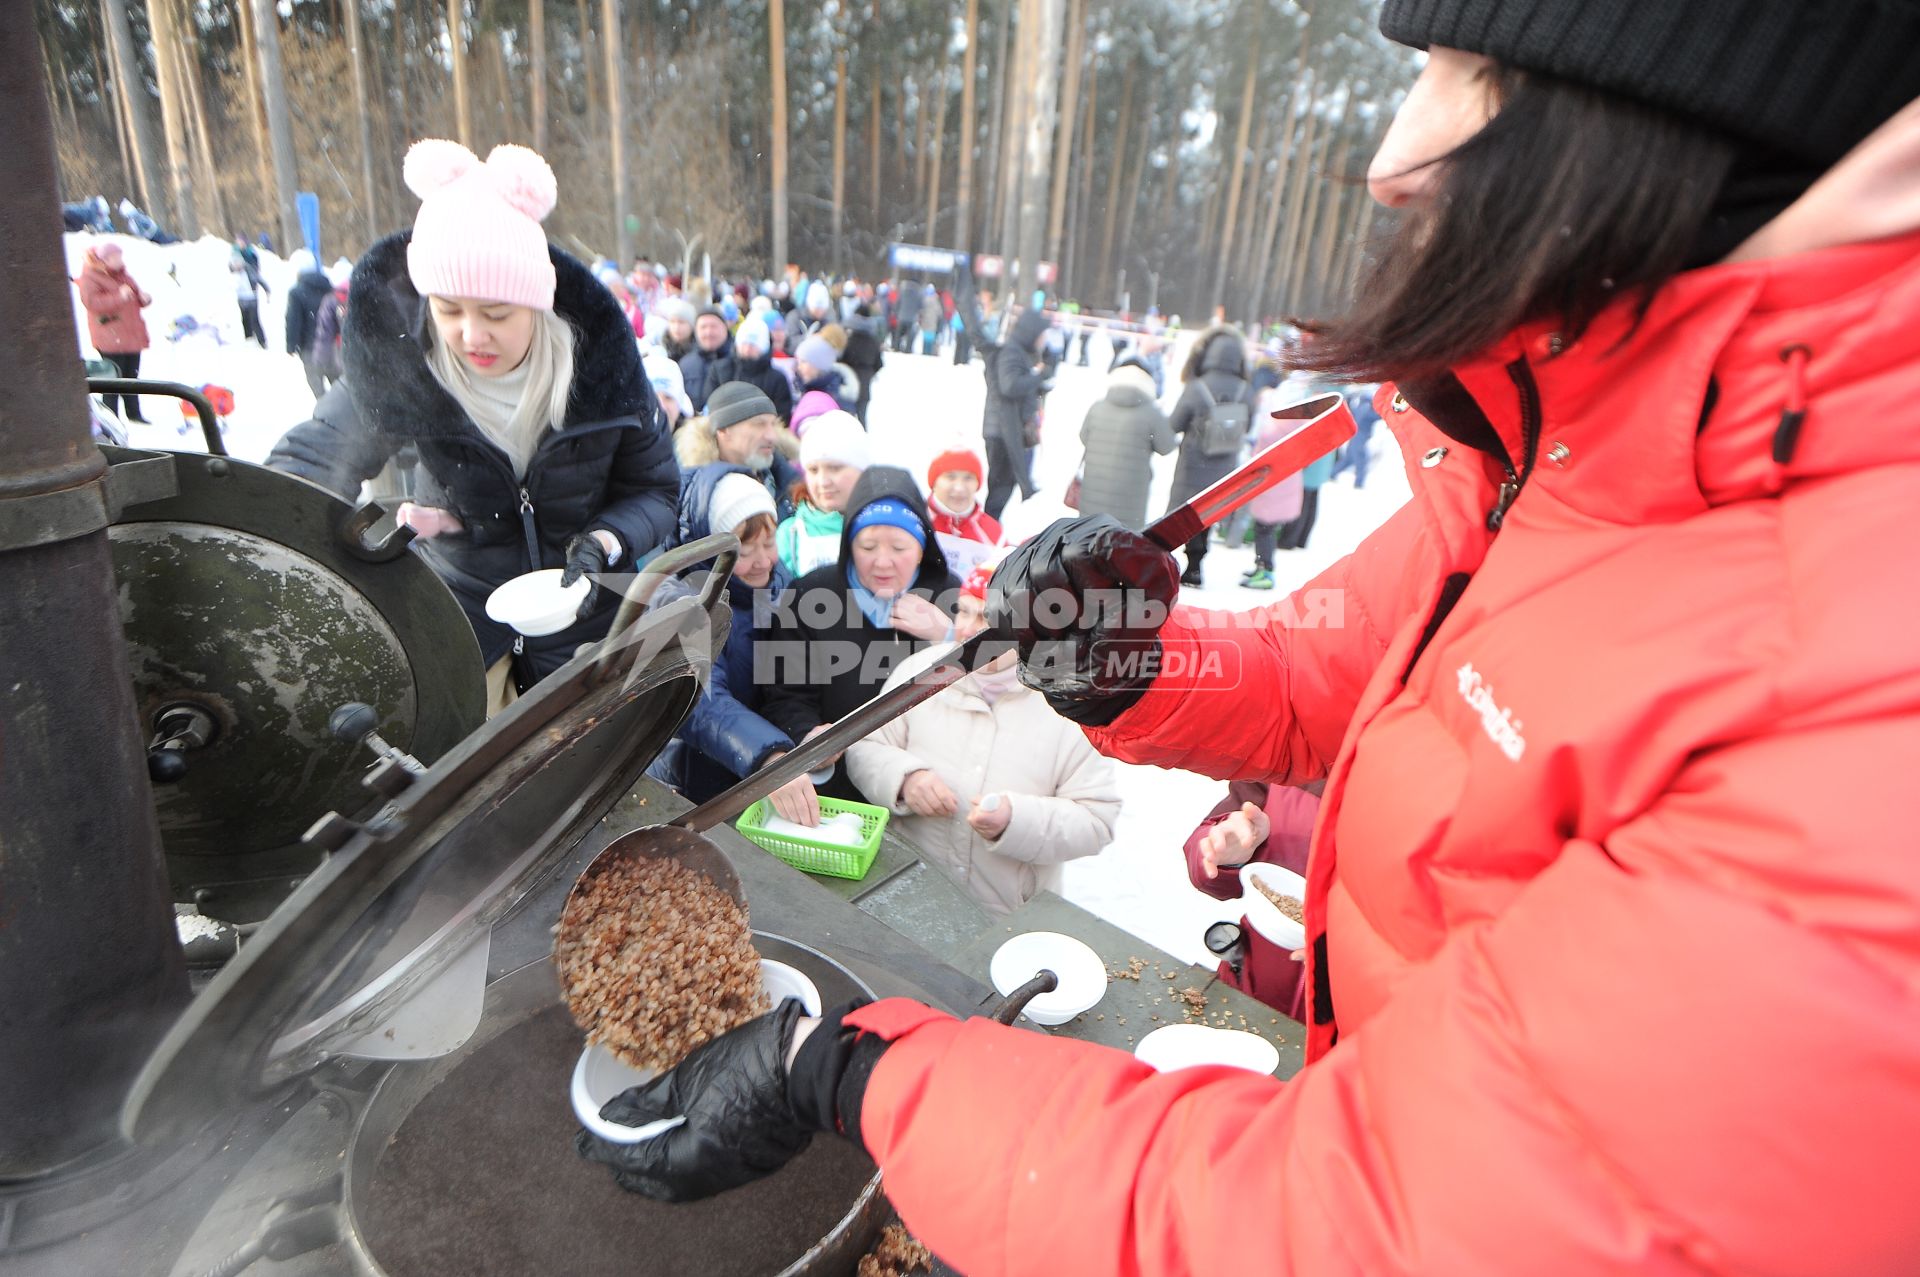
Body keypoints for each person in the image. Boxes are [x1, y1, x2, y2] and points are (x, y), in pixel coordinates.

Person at [575, 10, 1920, 1274]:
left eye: (1482, 82)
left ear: (1721, 143)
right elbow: (1331, 667)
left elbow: (1348, 1231)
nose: (1392, 161)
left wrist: (858, 1074)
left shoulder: (1857, 709)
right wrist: (1124, 660)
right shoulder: (1555, 468)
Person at [266, 140, 677, 709]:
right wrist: (268, 535)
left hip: (586, 621)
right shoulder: (403, 364)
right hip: (461, 615)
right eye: (450, 309)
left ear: (536, 302)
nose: (471, 335)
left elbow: (655, 489)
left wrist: (603, 542)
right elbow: (313, 458)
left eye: (497, 313)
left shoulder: (604, 369)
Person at [846, 560, 1119, 916]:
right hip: (907, 898)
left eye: (987, 619)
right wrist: (905, 779)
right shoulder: (918, 673)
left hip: (1008, 918)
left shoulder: (1071, 708)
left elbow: (1096, 821)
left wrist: (1014, 820)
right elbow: (863, 746)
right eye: (963, 611)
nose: (967, 630)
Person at [758, 466, 957, 802]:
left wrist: (948, 636)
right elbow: (784, 695)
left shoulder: (952, 598)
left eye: (899, 548)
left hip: (925, 789)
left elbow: (992, 688)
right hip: (835, 792)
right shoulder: (810, 595)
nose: (882, 562)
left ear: (923, 548)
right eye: (867, 547)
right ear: (849, 545)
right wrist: (807, 733)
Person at [647, 465, 820, 823]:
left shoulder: (779, 580)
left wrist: (805, 725)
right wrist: (769, 755)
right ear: (711, 547)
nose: (763, 561)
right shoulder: (679, 599)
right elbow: (699, 700)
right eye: (743, 550)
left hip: (756, 778)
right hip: (694, 786)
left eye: (769, 543)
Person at [1182, 781, 1319, 1018]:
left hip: (1350, 1032)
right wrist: (1226, 853)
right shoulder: (1295, 760)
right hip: (1246, 992)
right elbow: (1208, 860)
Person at [1164, 325, 1253, 586]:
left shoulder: (1196, 386)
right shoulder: (1245, 389)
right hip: (1224, 463)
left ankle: (1176, 565)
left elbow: (1175, 424)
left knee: (1183, 514)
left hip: (1193, 462)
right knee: (1208, 515)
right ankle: (1196, 564)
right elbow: (1246, 424)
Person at [672, 382, 801, 522]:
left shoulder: (787, 481)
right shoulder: (694, 498)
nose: (772, 436)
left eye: (773, 424)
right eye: (759, 425)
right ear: (723, 430)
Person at [1073, 358, 1175, 530]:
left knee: (1088, 542)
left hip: (1093, 492)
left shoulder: (1097, 408)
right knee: (1122, 546)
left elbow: (1084, 437)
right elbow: (1167, 447)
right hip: (1130, 501)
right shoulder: (1151, 413)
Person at [774, 411, 870, 577]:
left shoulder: (890, 527)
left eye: (835, 468)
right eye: (813, 470)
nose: (823, 482)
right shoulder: (790, 535)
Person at [980, 307, 1050, 521]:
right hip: (1002, 432)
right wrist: (1038, 376)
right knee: (999, 490)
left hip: (1004, 429)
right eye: (1041, 334)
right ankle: (988, 529)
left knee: (1001, 488)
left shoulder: (1018, 351)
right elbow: (1009, 386)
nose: (1043, 339)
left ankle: (990, 526)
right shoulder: (1012, 352)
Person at [77, 242, 151, 422]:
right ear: (105, 259)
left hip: (131, 335)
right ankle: (111, 417)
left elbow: (135, 294)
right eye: (117, 257)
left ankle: (134, 414)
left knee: (131, 376)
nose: (120, 260)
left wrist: (144, 298)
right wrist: (119, 297)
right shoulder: (90, 277)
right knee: (112, 379)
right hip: (110, 337)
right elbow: (92, 303)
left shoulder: (123, 276)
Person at [1239, 400, 1307, 589]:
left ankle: (1265, 572)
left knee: (1264, 529)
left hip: (1273, 487)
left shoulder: (1274, 430)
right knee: (1266, 529)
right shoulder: (1297, 428)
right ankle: (1261, 566)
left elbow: (1260, 456)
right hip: (1285, 485)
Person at [924, 448, 1001, 580]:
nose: (959, 487)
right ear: (934, 482)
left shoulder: (993, 532)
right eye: (950, 477)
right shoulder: (916, 521)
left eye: (968, 478)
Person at [705, 315, 794, 423]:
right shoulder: (720, 370)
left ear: (764, 347)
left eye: (753, 345)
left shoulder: (777, 379)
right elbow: (711, 404)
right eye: (744, 343)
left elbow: (782, 416)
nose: (747, 349)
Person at [284, 250, 337, 399]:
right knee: (338, 383)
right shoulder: (328, 286)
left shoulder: (296, 292)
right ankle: (344, 413)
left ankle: (328, 415)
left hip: (309, 347)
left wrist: (291, 344)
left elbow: (293, 320)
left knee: (317, 386)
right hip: (331, 344)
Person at [678, 307, 734, 413]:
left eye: (714, 327)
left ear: (725, 328)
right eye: (703, 327)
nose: (708, 332)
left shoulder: (737, 361)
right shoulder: (686, 364)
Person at [791, 333, 855, 414]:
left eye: (803, 362)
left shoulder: (839, 397)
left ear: (818, 364)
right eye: (798, 362)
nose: (799, 367)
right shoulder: (798, 391)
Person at [230, 244, 270, 348]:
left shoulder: (248, 269)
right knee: (245, 320)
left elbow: (258, 279)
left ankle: (262, 342)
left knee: (255, 320)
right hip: (242, 299)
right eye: (235, 263)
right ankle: (249, 340)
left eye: (238, 263)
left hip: (252, 298)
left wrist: (266, 289)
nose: (237, 265)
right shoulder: (233, 272)